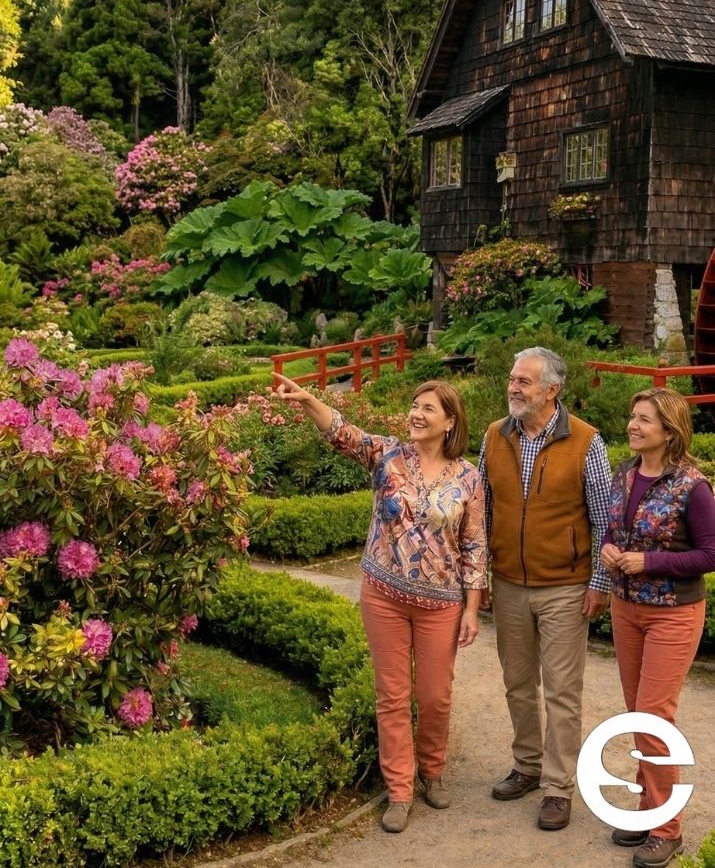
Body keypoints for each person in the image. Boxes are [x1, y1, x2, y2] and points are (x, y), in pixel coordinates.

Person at [272, 373, 488, 834]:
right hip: (384, 596)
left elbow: (474, 545)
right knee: (392, 697)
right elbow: (341, 432)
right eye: (414, 404)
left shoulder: (469, 477)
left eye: (428, 408)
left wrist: (472, 607)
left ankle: (433, 771)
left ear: (450, 421)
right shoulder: (387, 455)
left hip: (441, 603)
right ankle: (400, 790)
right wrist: (309, 399)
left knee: (435, 696)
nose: (416, 413)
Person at [479, 346, 611, 831]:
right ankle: (527, 766)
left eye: (524, 382)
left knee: (561, 691)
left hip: (565, 587)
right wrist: (482, 575)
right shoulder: (495, 436)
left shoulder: (586, 442)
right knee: (517, 684)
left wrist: (599, 582)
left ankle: (558, 787)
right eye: (512, 379)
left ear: (551, 390)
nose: (513, 387)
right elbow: (484, 511)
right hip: (509, 582)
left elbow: (603, 520)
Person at [600, 388, 715, 868]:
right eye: (632, 416)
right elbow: (612, 529)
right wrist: (607, 549)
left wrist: (647, 561)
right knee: (637, 716)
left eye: (643, 419)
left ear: (669, 431)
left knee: (653, 718)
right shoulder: (624, 473)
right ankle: (649, 809)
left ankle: (668, 828)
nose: (632, 424)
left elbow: (711, 554)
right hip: (626, 609)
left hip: (673, 613)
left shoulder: (694, 486)